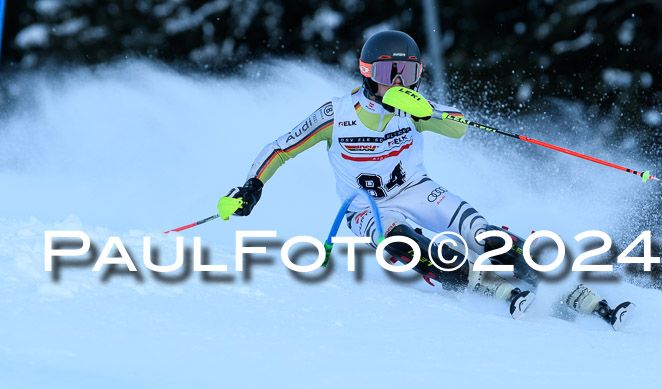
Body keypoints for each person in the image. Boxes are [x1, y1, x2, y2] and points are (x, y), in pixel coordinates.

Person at [217, 30, 633, 330]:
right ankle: (475, 280)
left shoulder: (415, 107)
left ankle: (552, 280)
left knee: (485, 234)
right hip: (368, 208)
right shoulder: (336, 114)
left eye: (408, 71)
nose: (397, 81)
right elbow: (281, 148)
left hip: (420, 192)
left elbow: (459, 126)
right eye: (388, 71)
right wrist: (253, 186)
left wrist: (425, 113)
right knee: (403, 243)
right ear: (367, 72)